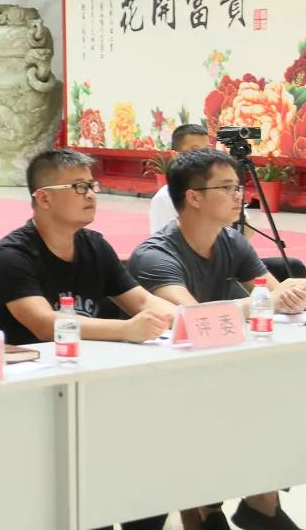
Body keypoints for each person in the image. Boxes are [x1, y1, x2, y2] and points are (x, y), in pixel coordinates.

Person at [129, 148, 306, 530]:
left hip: (216, 363)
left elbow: (275, 295)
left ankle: (261, 499)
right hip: (162, 378)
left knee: (278, 391)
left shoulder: (231, 241)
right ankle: (207, 507)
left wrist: (292, 294)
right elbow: (189, 317)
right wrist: (266, 301)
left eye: (238, 187)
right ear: (193, 197)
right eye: (226, 187)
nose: (238, 196)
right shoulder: (155, 254)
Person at [0, 148, 175, 347]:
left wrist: (184, 319)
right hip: (26, 363)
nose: (90, 195)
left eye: (91, 186)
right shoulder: (12, 256)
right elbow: (45, 324)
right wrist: (126, 329)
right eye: (80, 187)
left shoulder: (95, 246)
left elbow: (142, 301)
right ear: (44, 198)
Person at [149, 124, 211, 234]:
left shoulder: (216, 188)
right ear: (175, 155)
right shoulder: (165, 198)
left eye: (206, 150)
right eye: (195, 150)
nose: (204, 157)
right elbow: (163, 241)